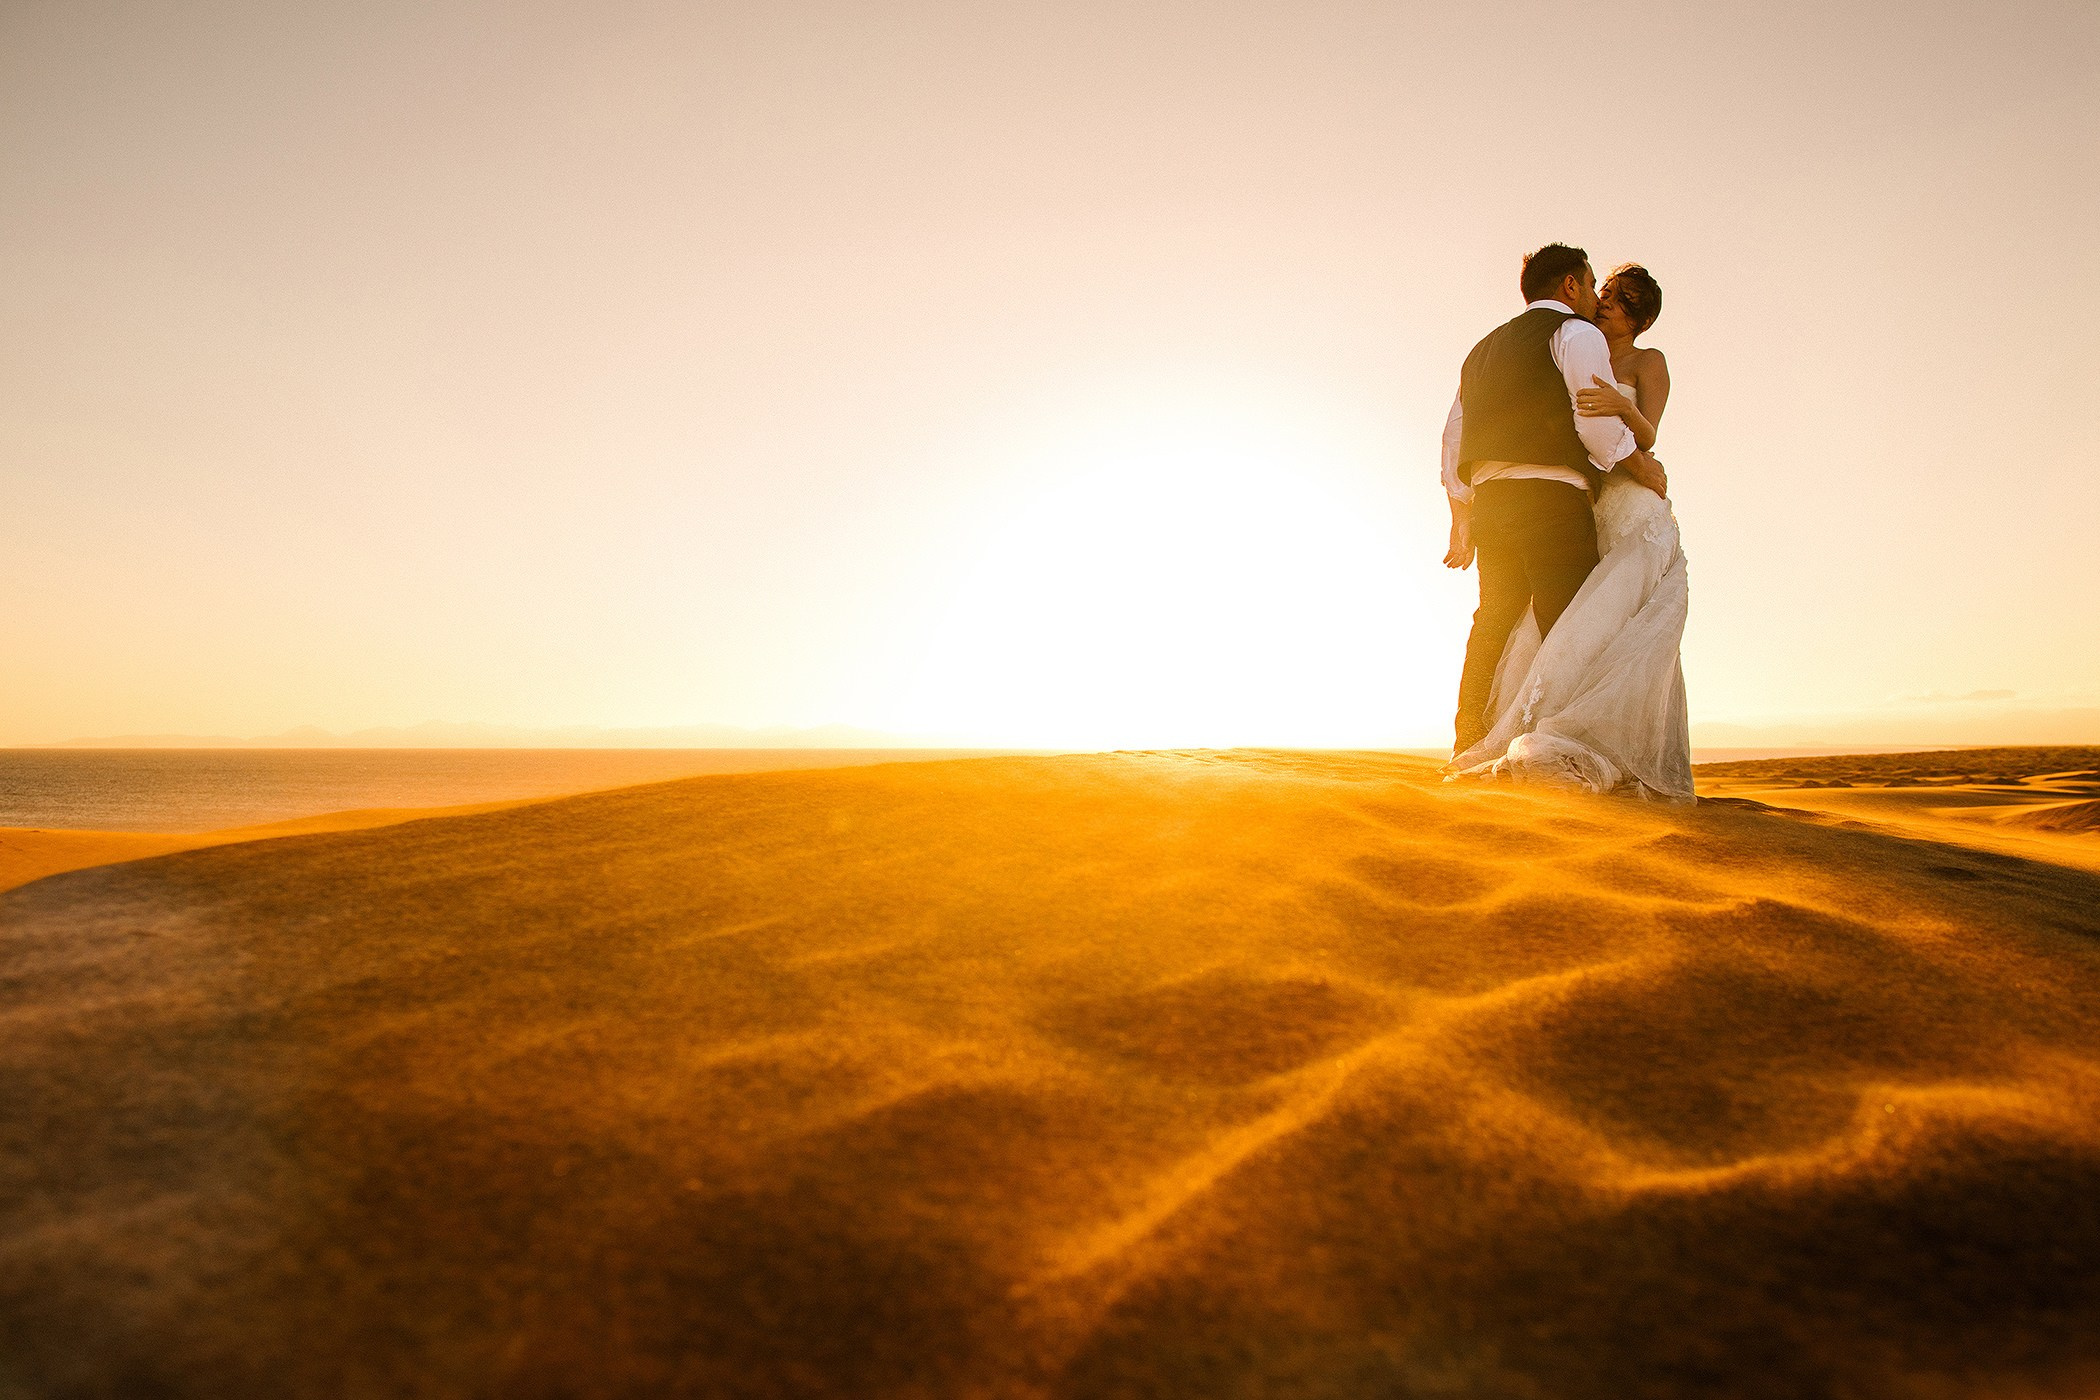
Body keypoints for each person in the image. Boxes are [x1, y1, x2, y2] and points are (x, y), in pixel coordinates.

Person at [1443, 255, 1694, 801]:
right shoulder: (1574, 335)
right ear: (1574, 285)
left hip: (1516, 500)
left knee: (1507, 617)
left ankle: (1497, 737)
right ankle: (1549, 744)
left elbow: (1456, 433)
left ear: (1641, 319)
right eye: (1603, 289)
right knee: (1563, 616)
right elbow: (1594, 429)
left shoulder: (1484, 349)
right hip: (1562, 495)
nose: (1605, 302)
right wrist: (1635, 461)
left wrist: (1462, 509)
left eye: (1622, 300)